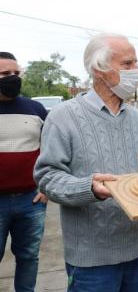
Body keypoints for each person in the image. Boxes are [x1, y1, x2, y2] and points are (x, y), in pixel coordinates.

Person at [34, 34, 138, 292]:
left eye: (136, 63)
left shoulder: (137, 119)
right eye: (128, 63)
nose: (136, 70)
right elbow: (47, 176)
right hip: (91, 258)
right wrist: (89, 188)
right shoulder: (63, 117)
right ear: (100, 70)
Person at [0, 52, 48, 292]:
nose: (12, 78)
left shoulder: (36, 109)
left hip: (32, 200)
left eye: (16, 73)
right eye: (5, 74)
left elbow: (53, 151)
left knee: (29, 257)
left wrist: (46, 188)